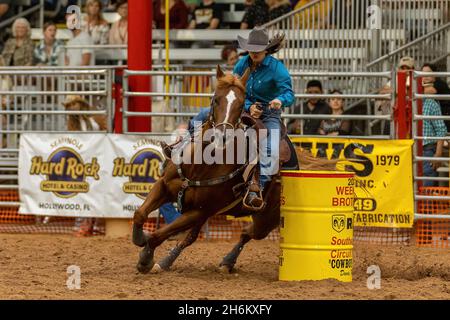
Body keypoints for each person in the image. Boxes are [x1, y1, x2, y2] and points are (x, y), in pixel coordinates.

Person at [189, 27, 294, 208]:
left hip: (269, 114)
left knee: (270, 148)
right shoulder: (242, 64)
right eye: (251, 49)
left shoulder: (278, 69)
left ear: (266, 50)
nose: (253, 53)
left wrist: (279, 100)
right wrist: (248, 106)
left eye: (257, 50)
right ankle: (183, 147)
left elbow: (289, 94)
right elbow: (233, 91)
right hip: (241, 109)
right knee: (200, 117)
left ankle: (256, 188)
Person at [63, 95, 107, 236]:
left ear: (81, 104)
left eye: (74, 103)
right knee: (82, 190)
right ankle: (81, 223)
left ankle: (94, 223)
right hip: (81, 161)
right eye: (70, 105)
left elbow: (103, 131)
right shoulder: (72, 123)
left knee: (96, 190)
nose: (72, 107)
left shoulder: (92, 120)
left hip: (96, 159)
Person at [421, 95, 447, 187]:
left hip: (427, 150)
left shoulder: (431, 104)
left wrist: (438, 153)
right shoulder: (406, 103)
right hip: (409, 150)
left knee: (426, 187)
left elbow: (441, 130)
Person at [422, 63, 450, 132]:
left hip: (446, 119)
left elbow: (428, 91)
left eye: (428, 73)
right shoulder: (424, 85)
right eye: (423, 73)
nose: (425, 76)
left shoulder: (440, 83)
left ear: (434, 74)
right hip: (436, 120)